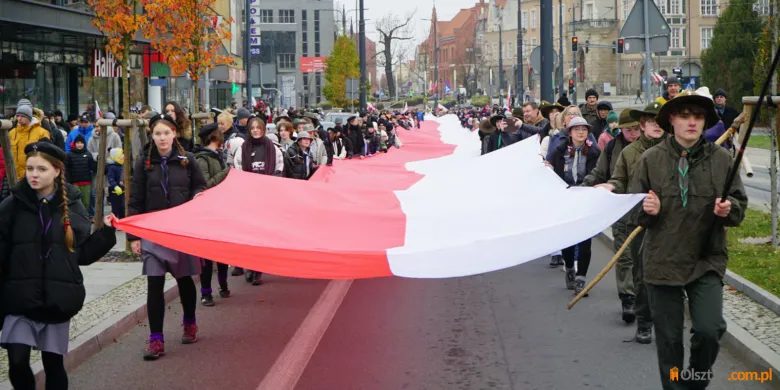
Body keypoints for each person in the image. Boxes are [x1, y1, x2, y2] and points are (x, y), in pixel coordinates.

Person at [628, 89, 748, 389]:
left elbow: (739, 206)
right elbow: (631, 209)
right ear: (672, 120)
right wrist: (647, 210)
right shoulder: (650, 159)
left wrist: (728, 208)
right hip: (662, 260)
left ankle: (694, 382)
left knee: (710, 329)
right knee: (669, 342)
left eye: (697, 116)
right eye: (685, 116)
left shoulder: (722, 160)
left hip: (705, 258)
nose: (692, 122)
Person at [0, 141, 116, 390]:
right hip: (19, 300)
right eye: (30, 168)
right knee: (17, 363)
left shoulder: (71, 205)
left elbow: (82, 254)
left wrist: (106, 232)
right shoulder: (11, 205)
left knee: (53, 365)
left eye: (41, 169)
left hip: (57, 299)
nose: (33, 174)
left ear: (57, 171)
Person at [128, 114, 207, 360]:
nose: (162, 138)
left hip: (180, 231)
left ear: (174, 134)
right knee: (154, 284)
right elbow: (135, 199)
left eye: (166, 133)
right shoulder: (143, 163)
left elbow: (201, 186)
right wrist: (133, 236)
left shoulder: (188, 160)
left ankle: (190, 322)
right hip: (153, 231)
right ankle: (156, 339)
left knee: (184, 281)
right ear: (152, 136)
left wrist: (198, 196)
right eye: (157, 133)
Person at [600, 101, 667, 343]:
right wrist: (611, 185)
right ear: (643, 125)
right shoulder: (629, 153)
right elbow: (620, 179)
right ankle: (645, 322)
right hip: (639, 221)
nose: (657, 125)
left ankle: (666, 320)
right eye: (652, 121)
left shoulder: (676, 149)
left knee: (670, 273)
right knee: (641, 275)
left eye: (661, 121)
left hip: (671, 223)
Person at [582, 108, 641, 323]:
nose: (633, 134)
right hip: (621, 208)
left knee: (641, 257)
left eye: (636, 129)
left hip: (646, 209)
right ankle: (627, 298)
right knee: (624, 256)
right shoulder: (612, 147)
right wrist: (586, 185)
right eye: (629, 130)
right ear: (621, 130)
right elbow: (600, 172)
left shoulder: (650, 147)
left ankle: (643, 298)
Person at [546, 117, 600, 294]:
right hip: (567, 200)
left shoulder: (594, 152)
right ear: (569, 132)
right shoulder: (559, 151)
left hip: (586, 200)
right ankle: (570, 268)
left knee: (585, 241)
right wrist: (548, 168)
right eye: (576, 129)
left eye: (584, 129)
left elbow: (599, 173)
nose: (581, 132)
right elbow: (551, 171)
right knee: (568, 239)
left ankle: (581, 279)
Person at [194, 123, 231, 306]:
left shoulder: (219, 156)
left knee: (223, 253)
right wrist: (226, 173)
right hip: (208, 214)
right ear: (214, 137)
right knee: (207, 257)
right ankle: (206, 292)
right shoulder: (202, 159)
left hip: (222, 210)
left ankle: (223, 284)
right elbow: (206, 184)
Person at [10, 105, 51, 182]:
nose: (19, 119)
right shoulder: (12, 133)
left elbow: (47, 155)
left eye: (22, 116)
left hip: (34, 176)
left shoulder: (42, 132)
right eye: (18, 116)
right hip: (14, 176)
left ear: (29, 117)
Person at [65, 134, 96, 213]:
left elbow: (93, 166)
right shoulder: (69, 155)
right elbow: (66, 169)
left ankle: (85, 217)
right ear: (75, 143)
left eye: (81, 143)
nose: (79, 145)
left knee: (86, 202)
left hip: (86, 182)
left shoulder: (88, 154)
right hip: (74, 182)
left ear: (84, 144)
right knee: (77, 201)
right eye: (78, 143)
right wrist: (68, 181)